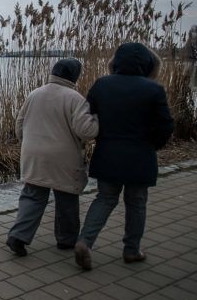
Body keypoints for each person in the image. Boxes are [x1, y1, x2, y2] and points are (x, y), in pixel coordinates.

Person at [74, 42, 174, 270]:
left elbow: (87, 117)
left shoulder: (102, 85)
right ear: (148, 63)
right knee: (137, 202)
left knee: (105, 198)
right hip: (140, 156)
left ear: (115, 61)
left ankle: (84, 242)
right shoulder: (153, 89)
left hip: (108, 154)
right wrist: (153, 145)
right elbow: (166, 125)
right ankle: (131, 250)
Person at [6, 58, 99, 256]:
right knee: (66, 198)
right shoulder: (75, 98)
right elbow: (87, 131)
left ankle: (18, 236)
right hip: (63, 157)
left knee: (32, 196)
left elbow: (19, 125)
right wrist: (98, 119)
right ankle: (66, 240)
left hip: (33, 154)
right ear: (74, 76)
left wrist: (27, 143)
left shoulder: (34, 94)